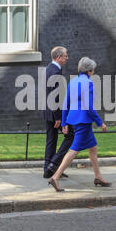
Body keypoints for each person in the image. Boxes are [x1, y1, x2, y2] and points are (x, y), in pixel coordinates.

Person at [48, 57, 111, 192]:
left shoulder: (73, 82)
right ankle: (55, 177)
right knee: (73, 150)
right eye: (93, 69)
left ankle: (98, 177)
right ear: (89, 70)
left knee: (93, 148)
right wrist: (100, 122)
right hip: (83, 121)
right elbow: (88, 107)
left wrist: (64, 122)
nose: (94, 72)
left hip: (74, 120)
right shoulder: (88, 83)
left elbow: (66, 104)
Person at [43, 46, 75, 179]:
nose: (67, 58)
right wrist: (59, 118)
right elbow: (55, 96)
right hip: (55, 113)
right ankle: (54, 164)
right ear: (59, 57)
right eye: (65, 56)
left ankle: (48, 169)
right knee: (71, 135)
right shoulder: (55, 72)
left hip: (48, 111)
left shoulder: (49, 68)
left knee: (51, 140)